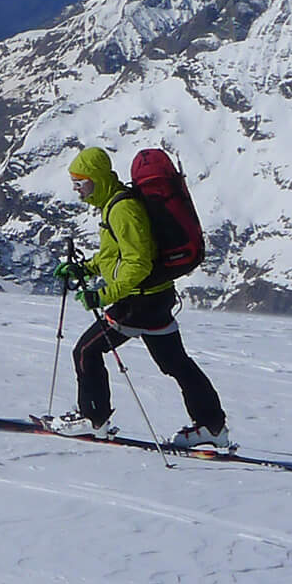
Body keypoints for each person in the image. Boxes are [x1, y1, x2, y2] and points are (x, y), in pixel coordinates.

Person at [52, 146, 229, 448]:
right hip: (157, 298)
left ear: (97, 179)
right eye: (74, 184)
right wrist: (84, 268)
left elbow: (138, 262)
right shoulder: (115, 204)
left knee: (86, 352)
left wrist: (104, 295)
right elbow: (114, 256)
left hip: (138, 304)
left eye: (81, 183)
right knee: (176, 364)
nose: (77, 190)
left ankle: (93, 419)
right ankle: (212, 427)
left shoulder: (122, 210)